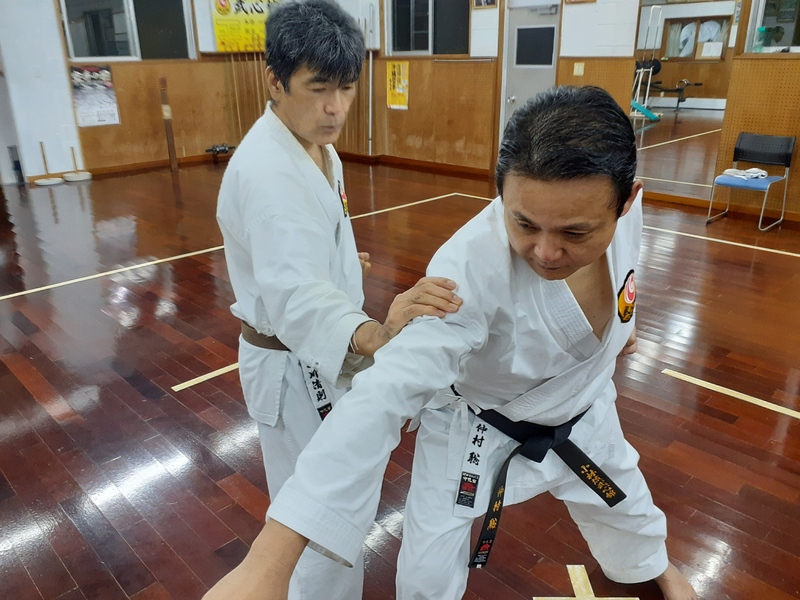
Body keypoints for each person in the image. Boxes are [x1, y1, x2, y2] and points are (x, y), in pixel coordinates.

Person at [206, 86, 698, 600]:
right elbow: (382, 397)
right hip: (477, 425)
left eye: (575, 233)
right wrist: (269, 563)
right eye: (523, 223)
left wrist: (624, 324)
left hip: (582, 405)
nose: (547, 252)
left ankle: (652, 564)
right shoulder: (465, 272)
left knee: (629, 507)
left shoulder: (626, 214)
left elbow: (625, 272)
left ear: (629, 200)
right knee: (425, 575)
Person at [214, 1, 462, 599]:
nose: (334, 108)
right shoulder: (270, 173)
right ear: (274, 80)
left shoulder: (314, 146)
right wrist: (378, 332)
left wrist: (343, 263)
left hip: (319, 356)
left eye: (346, 89)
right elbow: (296, 295)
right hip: (294, 364)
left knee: (343, 502)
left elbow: (304, 255)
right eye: (318, 88)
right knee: (318, 518)